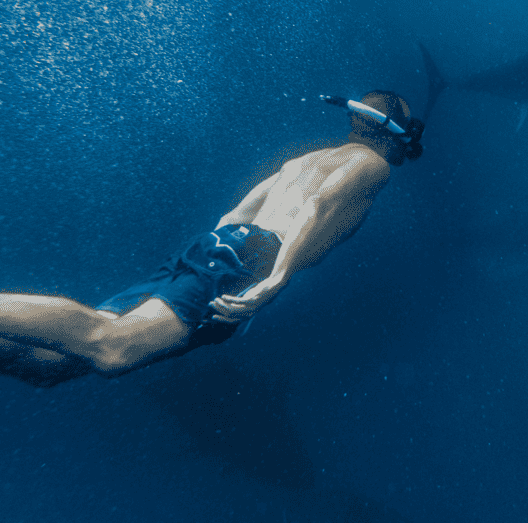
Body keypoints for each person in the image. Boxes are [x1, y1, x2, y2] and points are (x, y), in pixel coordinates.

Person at [0, 91, 423, 388]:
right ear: (392, 131)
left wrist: (224, 260)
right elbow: (320, 207)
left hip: (220, 245)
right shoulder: (372, 163)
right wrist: (273, 280)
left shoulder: (306, 160)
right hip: (255, 258)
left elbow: (235, 215)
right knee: (113, 348)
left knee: (49, 366)